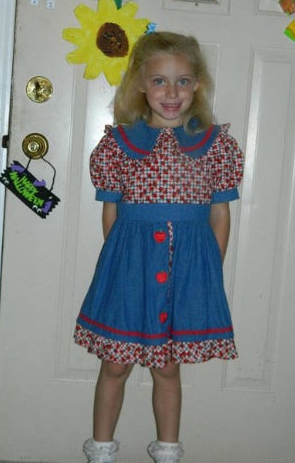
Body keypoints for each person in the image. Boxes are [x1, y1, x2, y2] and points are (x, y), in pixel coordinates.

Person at [74, 31, 244, 463]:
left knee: (168, 366)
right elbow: (111, 215)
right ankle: (101, 452)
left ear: (198, 86)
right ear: (140, 86)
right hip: (129, 270)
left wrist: (209, 272)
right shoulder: (119, 146)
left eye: (183, 81)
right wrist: (118, 269)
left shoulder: (216, 146)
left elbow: (219, 215)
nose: (172, 92)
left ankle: (168, 452)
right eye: (160, 81)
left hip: (187, 272)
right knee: (115, 364)